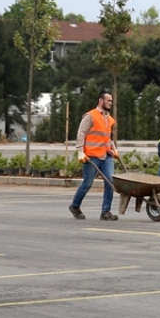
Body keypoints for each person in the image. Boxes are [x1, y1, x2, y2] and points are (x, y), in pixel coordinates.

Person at [69, 91, 120, 221]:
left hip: (106, 156)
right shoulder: (90, 116)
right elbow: (81, 133)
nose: (111, 103)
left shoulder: (109, 119)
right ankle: (75, 206)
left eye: (111, 101)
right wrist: (80, 151)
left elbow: (106, 137)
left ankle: (106, 212)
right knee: (87, 183)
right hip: (92, 156)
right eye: (108, 100)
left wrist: (113, 148)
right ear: (101, 101)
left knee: (110, 181)